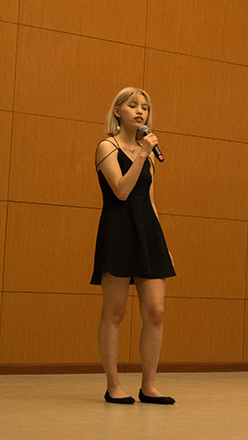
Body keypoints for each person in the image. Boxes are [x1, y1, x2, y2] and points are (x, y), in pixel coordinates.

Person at [91, 87, 176, 405]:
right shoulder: (106, 147)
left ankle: (149, 385)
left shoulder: (149, 159)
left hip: (148, 234)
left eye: (145, 107)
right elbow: (122, 191)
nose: (140, 111)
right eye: (132, 106)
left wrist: (162, 242)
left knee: (155, 310)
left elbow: (149, 201)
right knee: (114, 312)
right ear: (117, 112)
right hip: (118, 233)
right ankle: (113, 385)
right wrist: (142, 152)